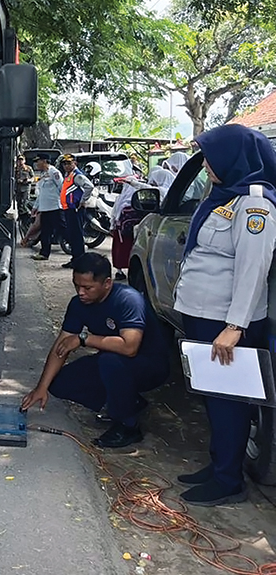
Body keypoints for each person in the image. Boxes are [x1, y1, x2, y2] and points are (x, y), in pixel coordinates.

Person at [172, 124, 276, 506]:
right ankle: (219, 464)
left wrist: (235, 327)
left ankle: (229, 481)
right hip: (203, 314)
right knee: (212, 396)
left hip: (224, 321)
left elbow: (253, 269)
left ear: (234, 158)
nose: (206, 165)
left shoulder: (255, 205)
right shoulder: (224, 196)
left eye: (211, 158)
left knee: (228, 401)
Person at [20, 251, 170, 448]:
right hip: (112, 363)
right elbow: (61, 345)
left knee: (110, 361)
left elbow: (130, 347)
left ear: (107, 283)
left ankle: (128, 426)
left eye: (87, 287)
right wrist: (41, 387)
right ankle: (129, 402)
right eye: (76, 286)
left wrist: (84, 339)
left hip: (149, 365)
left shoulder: (128, 300)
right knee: (58, 383)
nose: (80, 292)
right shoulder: (78, 304)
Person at [58, 154, 94, 269]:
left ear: (75, 163)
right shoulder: (68, 175)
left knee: (76, 235)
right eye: (64, 164)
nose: (66, 166)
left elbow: (89, 186)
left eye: (69, 163)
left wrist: (83, 201)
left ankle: (79, 260)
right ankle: (75, 259)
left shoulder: (77, 176)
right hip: (69, 208)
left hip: (75, 209)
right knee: (73, 235)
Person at [28, 153, 63, 261]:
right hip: (45, 208)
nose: (36, 164)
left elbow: (62, 188)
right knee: (45, 232)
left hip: (55, 208)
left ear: (44, 161)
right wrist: (36, 206)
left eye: (38, 161)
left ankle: (77, 249)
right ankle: (44, 253)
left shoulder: (54, 172)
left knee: (63, 230)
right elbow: (41, 193)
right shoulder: (43, 174)